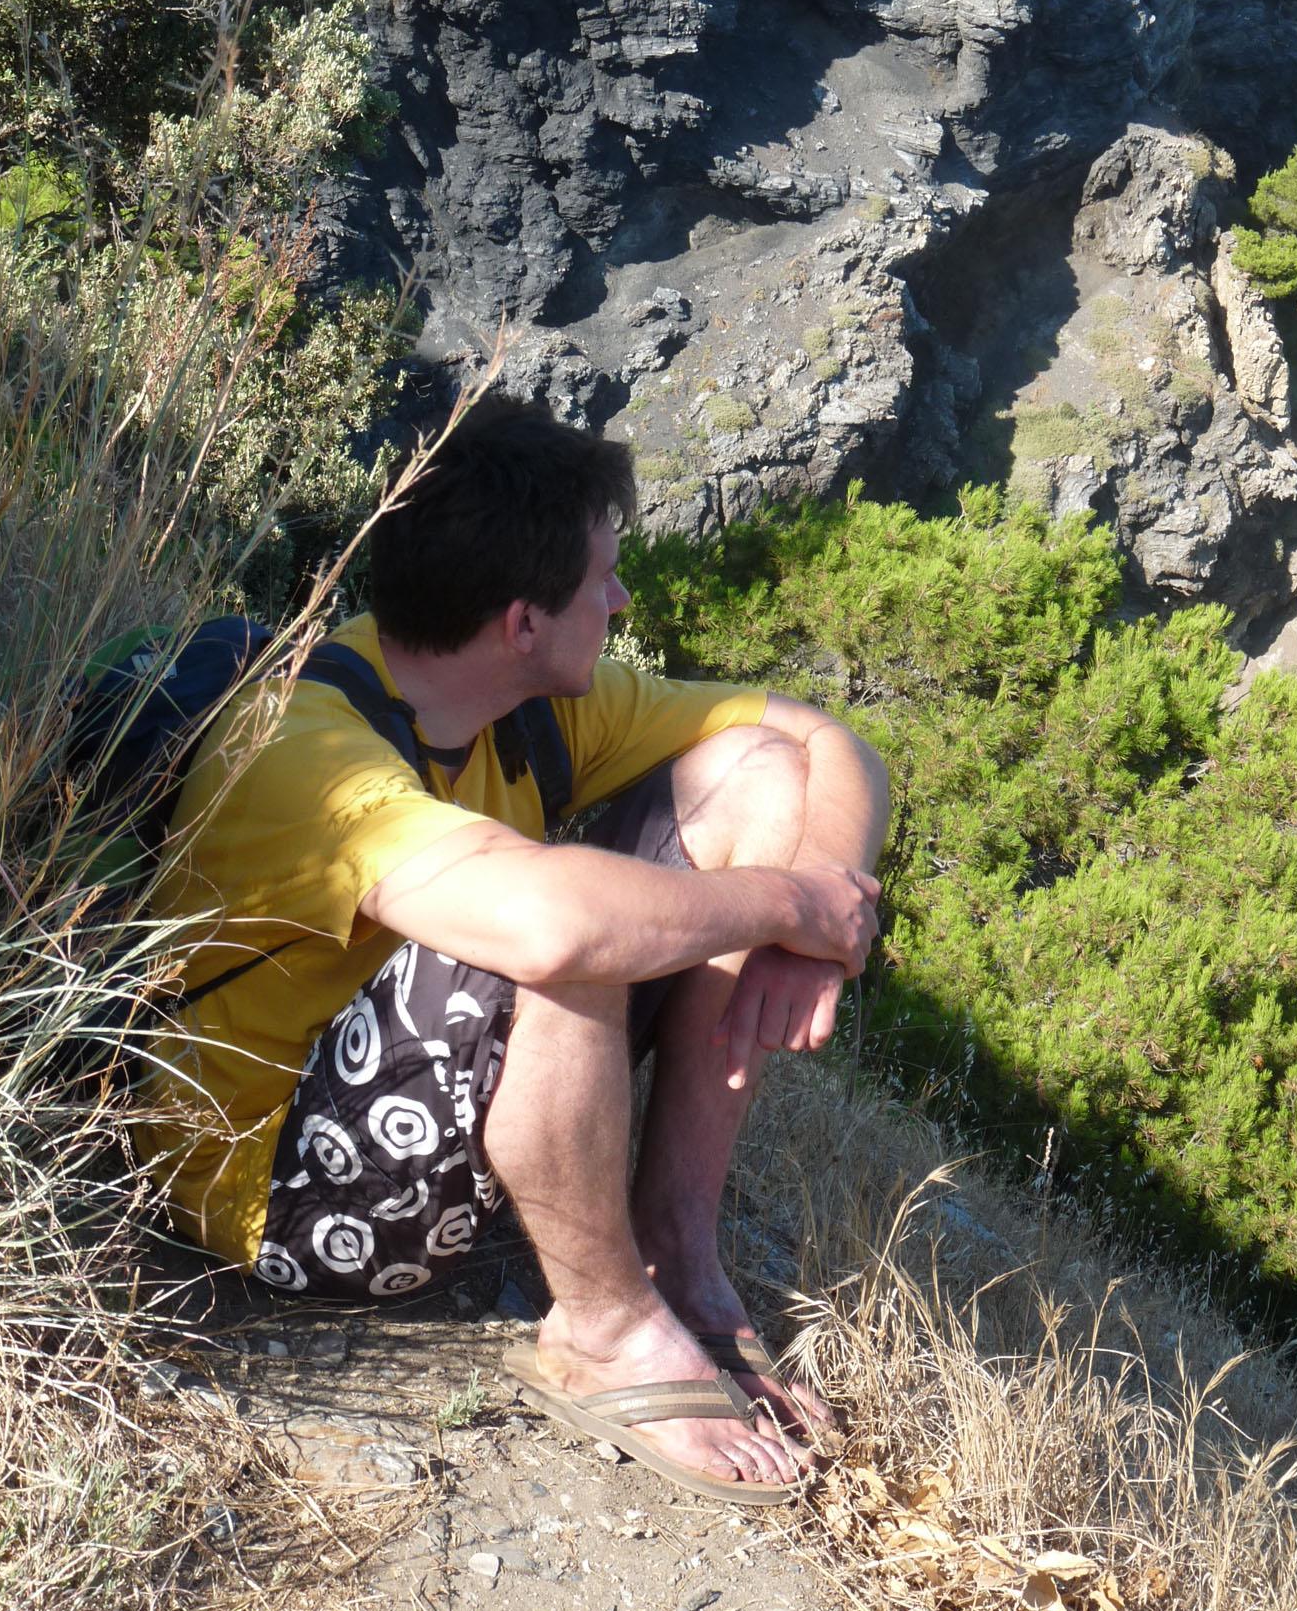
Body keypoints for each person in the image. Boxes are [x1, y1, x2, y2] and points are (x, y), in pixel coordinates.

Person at [139, 395, 888, 1504]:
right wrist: (783, 906)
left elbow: (823, 742)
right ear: (523, 623)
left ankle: (674, 1244)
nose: (620, 601)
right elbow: (555, 926)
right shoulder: (307, 745)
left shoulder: (521, 702)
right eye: (602, 581)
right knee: (559, 922)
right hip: (281, 1197)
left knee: (758, 774)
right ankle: (604, 1330)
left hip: (422, 1122)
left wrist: (821, 898)